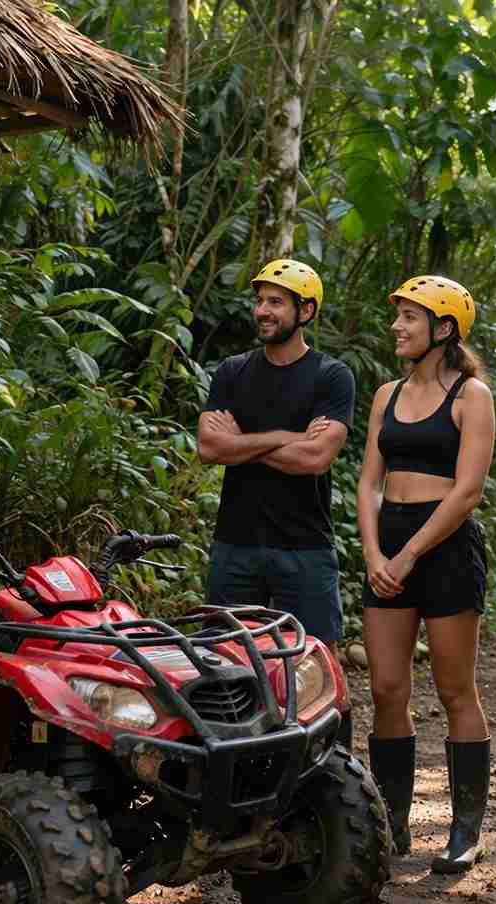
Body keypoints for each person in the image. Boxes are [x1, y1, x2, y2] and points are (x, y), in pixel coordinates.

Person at [357, 275, 496, 872]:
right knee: (386, 689)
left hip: (443, 547)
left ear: (443, 328)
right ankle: (393, 822)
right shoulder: (386, 394)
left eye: (409, 317)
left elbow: (468, 491)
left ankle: (466, 830)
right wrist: (373, 554)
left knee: (454, 689)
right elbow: (369, 482)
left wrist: (410, 553)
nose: (397, 327)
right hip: (388, 544)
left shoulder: (471, 396)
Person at [196, 259, 356, 739]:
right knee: (221, 663)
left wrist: (242, 442)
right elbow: (209, 448)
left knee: (319, 670)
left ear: (305, 311)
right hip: (235, 545)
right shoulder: (233, 372)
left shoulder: (331, 376)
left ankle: (335, 770)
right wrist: (288, 436)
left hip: (304, 547)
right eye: (260, 301)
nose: (262, 311)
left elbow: (316, 458)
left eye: (276, 302)